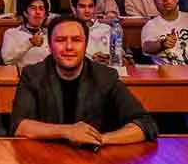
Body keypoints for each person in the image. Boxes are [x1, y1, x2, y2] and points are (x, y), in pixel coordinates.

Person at [11, 15, 157, 147]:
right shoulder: (33, 75)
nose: (69, 47)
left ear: (86, 44)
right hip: (44, 157)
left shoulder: (105, 76)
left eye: (76, 40)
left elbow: (145, 124)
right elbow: (19, 126)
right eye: (60, 40)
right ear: (49, 45)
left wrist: (101, 139)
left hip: (95, 159)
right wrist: (67, 131)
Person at [72, 0, 125, 64]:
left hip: (108, 67)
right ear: (74, 9)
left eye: (90, 6)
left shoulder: (107, 29)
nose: (87, 11)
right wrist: (91, 60)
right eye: (82, 6)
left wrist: (108, 58)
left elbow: (119, 53)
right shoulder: (69, 31)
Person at [1, 0, 51, 69]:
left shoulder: (51, 34)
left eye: (41, 9)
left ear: (45, 15)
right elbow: (7, 60)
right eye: (33, 8)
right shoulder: (11, 33)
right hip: (21, 74)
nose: (37, 12)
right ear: (25, 13)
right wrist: (30, 43)